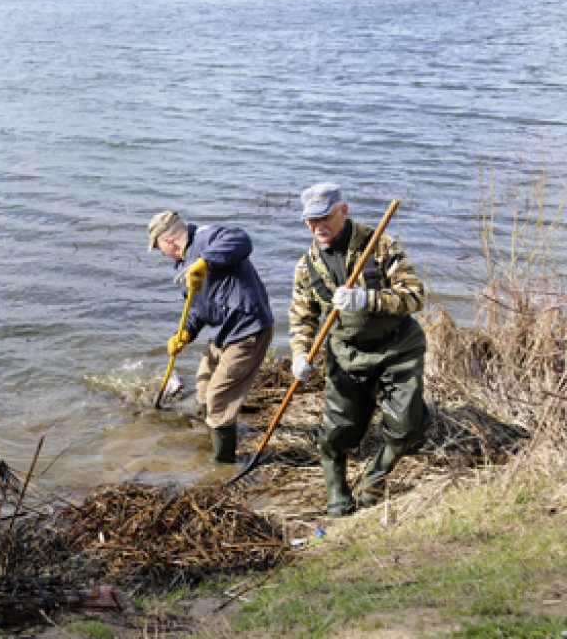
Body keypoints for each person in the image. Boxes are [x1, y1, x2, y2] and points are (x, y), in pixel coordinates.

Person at [289, 184, 432, 517]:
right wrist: (300, 353)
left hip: (398, 347)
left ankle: (374, 481)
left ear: (344, 211)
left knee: (407, 425)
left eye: (324, 217)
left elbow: (415, 296)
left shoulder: (379, 246)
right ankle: (337, 494)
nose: (317, 227)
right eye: (310, 221)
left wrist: (368, 299)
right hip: (346, 354)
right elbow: (302, 318)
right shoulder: (307, 266)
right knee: (338, 432)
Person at [148, 211, 275, 464]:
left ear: (168, 241)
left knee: (218, 397)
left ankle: (223, 464)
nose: (161, 254)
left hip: (247, 329)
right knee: (203, 387)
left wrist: (205, 261)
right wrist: (185, 334)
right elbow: (196, 310)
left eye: (158, 247)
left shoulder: (207, 238)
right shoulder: (183, 266)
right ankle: (217, 434)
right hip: (221, 332)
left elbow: (242, 240)